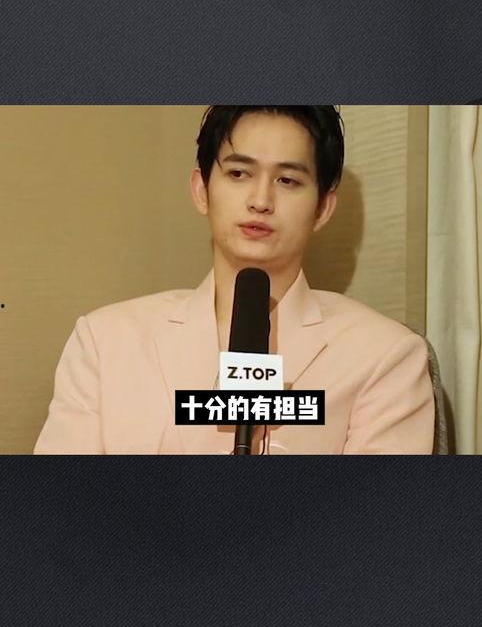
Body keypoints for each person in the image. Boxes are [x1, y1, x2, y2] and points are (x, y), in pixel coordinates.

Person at [34, 106, 435, 455]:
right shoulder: (105, 342)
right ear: (202, 190)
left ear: (323, 208)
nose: (260, 200)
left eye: (287, 180)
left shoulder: (385, 356)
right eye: (239, 173)